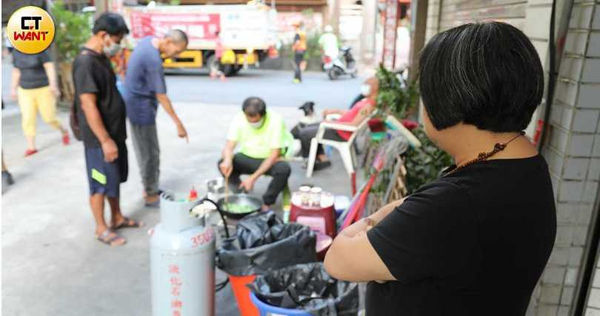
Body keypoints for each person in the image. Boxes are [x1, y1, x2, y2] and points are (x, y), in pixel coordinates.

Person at [324, 22, 556, 315]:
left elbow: (338, 260)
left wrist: (372, 222)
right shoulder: (525, 166)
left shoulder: (455, 205)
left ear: (449, 101)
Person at [73, 13, 143, 247]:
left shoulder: (100, 57)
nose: (118, 44)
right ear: (103, 35)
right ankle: (101, 228)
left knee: (114, 178)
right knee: (100, 182)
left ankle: (117, 217)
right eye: (117, 39)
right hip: (99, 141)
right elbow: (88, 105)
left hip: (114, 134)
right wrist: (104, 140)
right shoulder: (85, 63)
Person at [124, 30, 189, 207]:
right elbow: (162, 96)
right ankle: (151, 194)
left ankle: (151, 187)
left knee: (147, 150)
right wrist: (179, 124)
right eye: (176, 51)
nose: (175, 56)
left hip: (137, 102)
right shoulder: (153, 61)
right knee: (149, 153)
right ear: (167, 41)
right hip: (140, 109)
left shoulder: (148, 41)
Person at [219, 97, 292, 211]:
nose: (252, 123)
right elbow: (229, 146)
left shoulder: (276, 120)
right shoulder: (239, 118)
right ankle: (241, 193)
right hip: (247, 156)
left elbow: (274, 154)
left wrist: (252, 178)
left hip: (269, 159)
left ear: (263, 115)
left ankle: (267, 202)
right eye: (249, 120)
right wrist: (227, 159)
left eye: (255, 121)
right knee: (222, 163)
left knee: (283, 169)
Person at [297, 77, 378, 169]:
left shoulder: (369, 106)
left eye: (367, 85)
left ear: (375, 88)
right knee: (309, 127)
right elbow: (352, 114)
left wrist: (331, 123)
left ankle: (311, 161)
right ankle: (321, 158)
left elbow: (354, 125)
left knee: (304, 133)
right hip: (338, 128)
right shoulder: (366, 101)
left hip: (341, 133)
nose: (364, 87)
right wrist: (336, 111)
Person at [11, 49, 69, 156]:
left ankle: (63, 130)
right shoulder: (16, 52)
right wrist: (13, 88)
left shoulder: (40, 49)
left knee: (49, 118)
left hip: (44, 88)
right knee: (28, 118)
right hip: (25, 90)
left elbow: (49, 67)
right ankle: (31, 147)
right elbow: (16, 70)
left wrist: (53, 85)